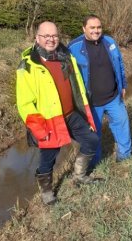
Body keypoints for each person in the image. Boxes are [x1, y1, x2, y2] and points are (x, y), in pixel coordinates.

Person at [15, 21, 100, 205]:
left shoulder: (65, 56)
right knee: (48, 159)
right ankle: (46, 192)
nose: (51, 40)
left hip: (71, 114)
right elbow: (24, 103)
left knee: (92, 139)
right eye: (46, 36)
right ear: (37, 38)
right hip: (49, 121)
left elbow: (76, 83)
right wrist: (39, 129)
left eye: (54, 36)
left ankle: (79, 175)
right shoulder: (27, 66)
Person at [69, 15, 132, 167]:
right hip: (91, 103)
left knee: (122, 125)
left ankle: (125, 156)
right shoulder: (74, 47)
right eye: (92, 28)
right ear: (84, 28)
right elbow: (69, 78)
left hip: (113, 97)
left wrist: (123, 85)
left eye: (99, 27)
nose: (96, 31)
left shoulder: (109, 42)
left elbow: (120, 64)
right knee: (93, 135)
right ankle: (95, 163)